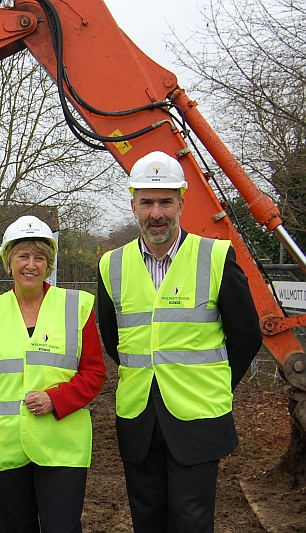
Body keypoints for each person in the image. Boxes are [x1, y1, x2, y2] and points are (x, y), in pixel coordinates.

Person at [97, 151, 263, 532]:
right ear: (133, 204)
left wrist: (213, 383)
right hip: (139, 418)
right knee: (147, 520)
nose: (156, 213)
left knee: (192, 521)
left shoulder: (216, 256)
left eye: (165, 202)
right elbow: (114, 340)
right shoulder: (112, 265)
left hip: (197, 417)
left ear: (181, 203)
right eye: (147, 202)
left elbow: (247, 337)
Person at [0, 215, 105, 533]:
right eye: (22, 256)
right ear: (8, 261)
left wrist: (57, 399)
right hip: (2, 444)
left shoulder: (76, 306)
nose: (31, 265)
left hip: (61, 445)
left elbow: (95, 372)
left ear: (49, 263)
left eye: (39, 257)